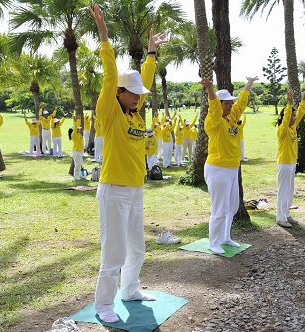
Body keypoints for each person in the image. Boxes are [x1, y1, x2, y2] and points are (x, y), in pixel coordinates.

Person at [89, 5, 166, 323]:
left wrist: (151, 53)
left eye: (139, 94)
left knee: (137, 249)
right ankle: (103, 304)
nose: (138, 97)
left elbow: (143, 80)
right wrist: (104, 39)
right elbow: (110, 76)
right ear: (118, 93)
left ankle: (130, 290)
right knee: (115, 253)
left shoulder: (134, 110)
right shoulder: (109, 112)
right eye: (132, 93)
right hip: (113, 190)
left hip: (135, 190)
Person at [200, 76, 258, 254]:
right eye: (227, 103)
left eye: (230, 103)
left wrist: (248, 84)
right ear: (220, 104)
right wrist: (210, 90)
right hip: (217, 168)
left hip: (232, 169)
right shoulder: (213, 122)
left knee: (232, 207)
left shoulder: (232, 117)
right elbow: (214, 108)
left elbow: (241, 103)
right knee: (219, 208)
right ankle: (213, 242)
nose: (230, 105)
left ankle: (225, 237)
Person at [276, 88, 305, 228]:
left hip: (291, 163)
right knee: (283, 190)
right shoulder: (283, 130)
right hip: (284, 163)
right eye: (292, 115)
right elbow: (286, 117)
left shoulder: (292, 127)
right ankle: (280, 217)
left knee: (289, 190)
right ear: (286, 116)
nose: (294, 117)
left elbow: (301, 113)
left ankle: (286, 213)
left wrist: (304, 98)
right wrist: (289, 101)